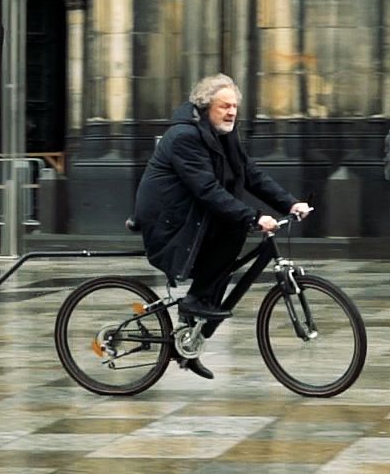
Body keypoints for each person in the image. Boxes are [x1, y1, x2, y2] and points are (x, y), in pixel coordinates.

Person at [132, 73, 311, 379]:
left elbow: (249, 174)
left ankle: (189, 342)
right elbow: (207, 189)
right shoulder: (184, 137)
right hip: (171, 223)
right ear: (205, 107)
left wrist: (289, 203)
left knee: (232, 234)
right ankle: (194, 304)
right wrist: (253, 216)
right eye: (224, 106)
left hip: (193, 216)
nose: (231, 112)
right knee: (234, 229)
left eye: (234, 107)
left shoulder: (224, 133)